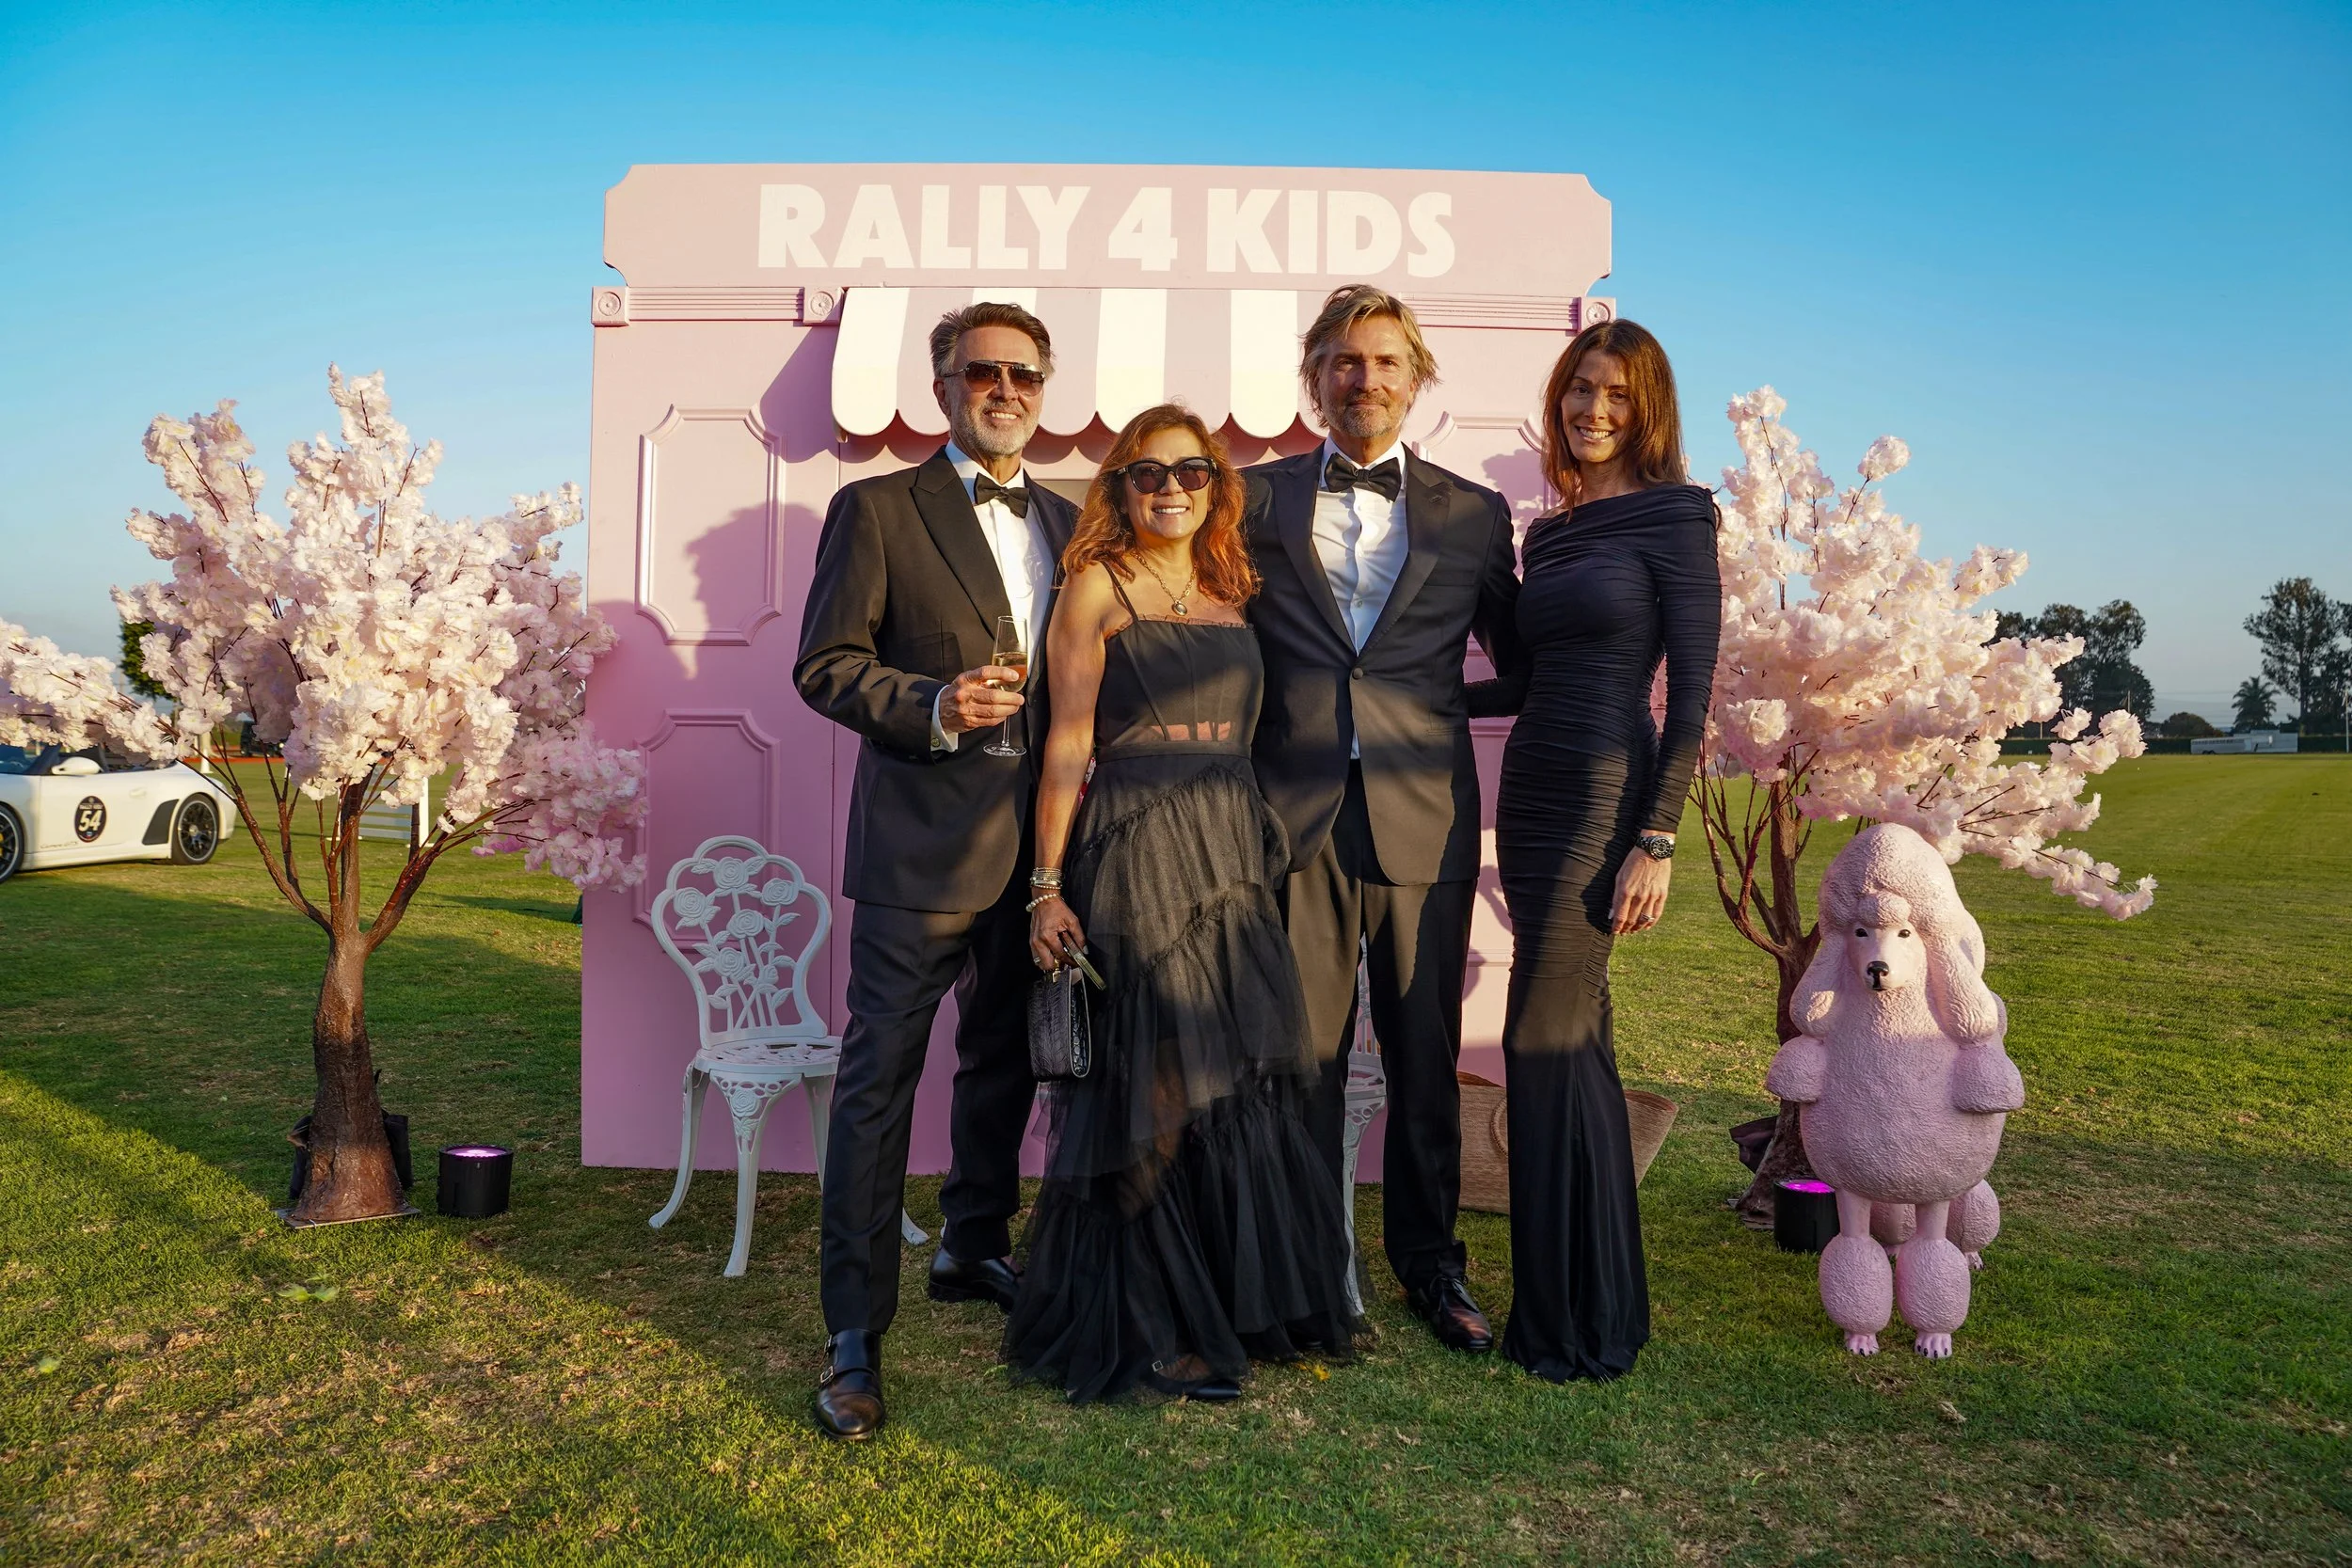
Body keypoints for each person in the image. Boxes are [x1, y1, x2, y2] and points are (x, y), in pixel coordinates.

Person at [1009, 403, 1359, 1403]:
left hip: (1229, 848)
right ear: (1119, 487)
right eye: (1148, 473)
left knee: (1231, 1073)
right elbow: (1067, 741)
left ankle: (1234, 1303)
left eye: (1191, 472)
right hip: (1137, 840)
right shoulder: (1096, 583)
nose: (1170, 489)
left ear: (1217, 486)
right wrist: (1045, 885)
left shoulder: (1229, 585)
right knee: (1157, 1081)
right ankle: (1151, 1319)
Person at [793, 301, 1080, 1440]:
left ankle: (973, 1241)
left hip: (1042, 859)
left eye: (1021, 374)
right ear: (942, 385)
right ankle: (855, 1333)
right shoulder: (875, 507)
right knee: (877, 1088)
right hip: (919, 848)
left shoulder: (1069, 517)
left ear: (1043, 389)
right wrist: (931, 703)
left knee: (1003, 1060)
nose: (1001, 388)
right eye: (979, 372)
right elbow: (824, 666)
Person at [1240, 286, 1523, 1354]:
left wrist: (1438, 707)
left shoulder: (1472, 513)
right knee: (1300, 1059)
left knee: (1421, 1056)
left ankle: (1430, 1266)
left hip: (1423, 818)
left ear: (1418, 378)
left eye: (1385, 361)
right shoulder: (1248, 500)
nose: (1364, 379)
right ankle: (1303, 1269)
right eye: (1344, 362)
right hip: (1291, 817)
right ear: (1313, 378)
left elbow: (1522, 661)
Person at [1468, 318, 1721, 1382]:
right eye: (1578, 390)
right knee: (1579, 1044)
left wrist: (1656, 838)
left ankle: (1561, 1321)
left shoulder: (1677, 516)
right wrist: (1393, 698)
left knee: (1541, 1038)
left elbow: (1693, 694)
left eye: (1616, 393)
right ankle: (1602, 1300)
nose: (1593, 410)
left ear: (1648, 404)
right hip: (1530, 784)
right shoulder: (1551, 533)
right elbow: (1521, 681)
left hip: (1607, 791)